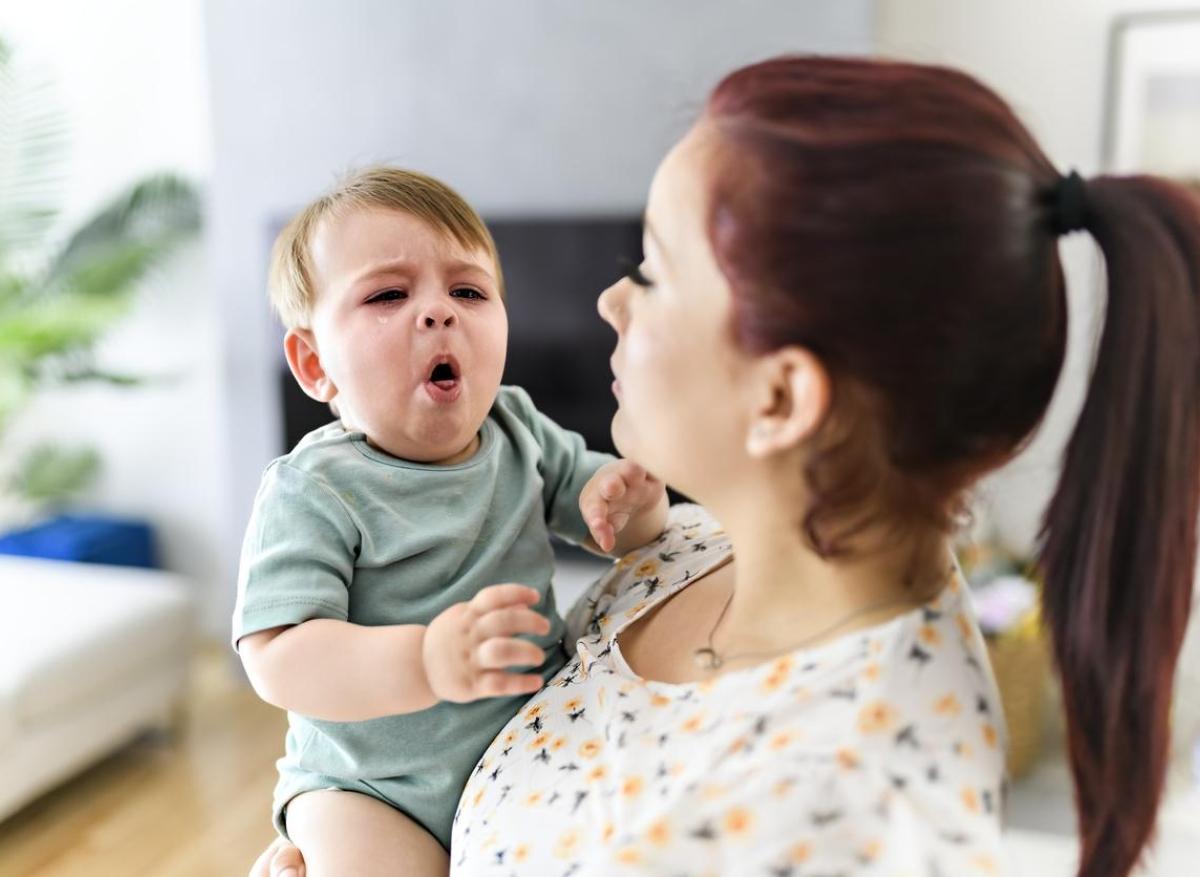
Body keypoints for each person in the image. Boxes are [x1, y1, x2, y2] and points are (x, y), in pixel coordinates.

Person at [253, 56, 1200, 877]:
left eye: (656, 268)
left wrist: (596, 496)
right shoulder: (705, 549)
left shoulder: (821, 806)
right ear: (315, 359)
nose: (611, 298)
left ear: (782, 397)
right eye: (386, 293)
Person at [233, 167, 669, 874]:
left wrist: (635, 502)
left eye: (467, 290)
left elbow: (623, 533)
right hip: (370, 788)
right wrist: (425, 661)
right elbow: (278, 658)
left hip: (526, 742)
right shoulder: (313, 488)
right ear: (315, 364)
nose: (439, 312)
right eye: (388, 294)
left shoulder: (518, 425)